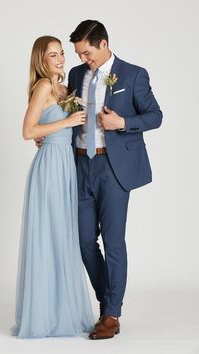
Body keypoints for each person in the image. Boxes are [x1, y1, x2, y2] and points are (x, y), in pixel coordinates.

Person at [67, 20, 163, 339]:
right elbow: (70, 113)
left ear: (104, 43)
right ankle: (107, 299)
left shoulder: (133, 74)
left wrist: (122, 122)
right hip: (80, 165)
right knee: (83, 241)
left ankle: (111, 314)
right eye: (79, 54)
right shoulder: (77, 75)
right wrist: (50, 135)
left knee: (113, 241)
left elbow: (155, 116)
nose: (83, 60)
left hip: (113, 167)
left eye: (87, 52)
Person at [10, 35, 94, 338]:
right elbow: (27, 130)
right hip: (49, 170)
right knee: (48, 236)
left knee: (63, 237)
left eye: (61, 54)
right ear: (41, 60)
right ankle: (44, 314)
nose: (59, 59)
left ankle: (64, 310)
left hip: (67, 166)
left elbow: (57, 128)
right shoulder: (44, 87)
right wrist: (65, 123)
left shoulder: (64, 88)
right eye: (52, 55)